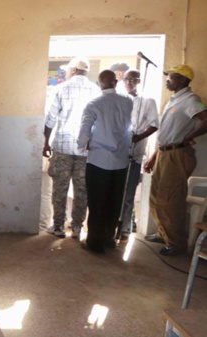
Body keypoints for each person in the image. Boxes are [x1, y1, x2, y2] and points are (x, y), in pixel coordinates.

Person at [144, 65, 207, 256]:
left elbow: (206, 119)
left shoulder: (191, 100)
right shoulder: (174, 100)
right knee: (156, 196)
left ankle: (176, 243)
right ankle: (164, 234)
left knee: (171, 199)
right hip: (165, 153)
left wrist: (189, 136)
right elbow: (166, 134)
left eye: (171, 77)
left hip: (177, 155)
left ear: (182, 79)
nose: (167, 80)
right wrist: (155, 156)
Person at [43, 57, 101, 239]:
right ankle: (77, 227)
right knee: (81, 189)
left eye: (67, 70)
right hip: (86, 149)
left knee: (60, 187)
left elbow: (50, 119)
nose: (66, 73)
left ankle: (59, 226)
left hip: (62, 147)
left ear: (74, 70)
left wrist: (45, 142)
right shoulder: (96, 90)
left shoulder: (61, 88)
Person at [77, 70, 133, 253]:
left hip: (99, 160)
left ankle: (94, 243)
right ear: (116, 82)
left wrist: (82, 144)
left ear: (99, 83)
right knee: (114, 200)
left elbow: (85, 129)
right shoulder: (127, 102)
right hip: (121, 161)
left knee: (97, 202)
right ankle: (110, 238)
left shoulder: (94, 104)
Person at [116, 70, 159, 242]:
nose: (129, 82)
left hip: (134, 155)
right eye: (127, 79)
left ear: (138, 81)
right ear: (122, 80)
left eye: (133, 79)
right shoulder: (118, 99)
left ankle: (125, 229)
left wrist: (138, 137)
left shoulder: (147, 101)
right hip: (116, 154)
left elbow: (154, 124)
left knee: (128, 195)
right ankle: (112, 226)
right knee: (115, 193)